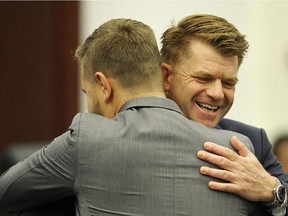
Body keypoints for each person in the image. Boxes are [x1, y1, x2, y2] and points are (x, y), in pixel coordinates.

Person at [0, 18, 258, 216]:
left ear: (104, 86)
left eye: (88, 93)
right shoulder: (237, 151)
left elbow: (6, 194)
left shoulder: (88, 138)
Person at [160, 14, 288, 215]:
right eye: (203, 78)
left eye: (228, 83)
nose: (217, 93)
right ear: (166, 76)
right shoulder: (125, 134)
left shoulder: (252, 143)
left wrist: (271, 191)